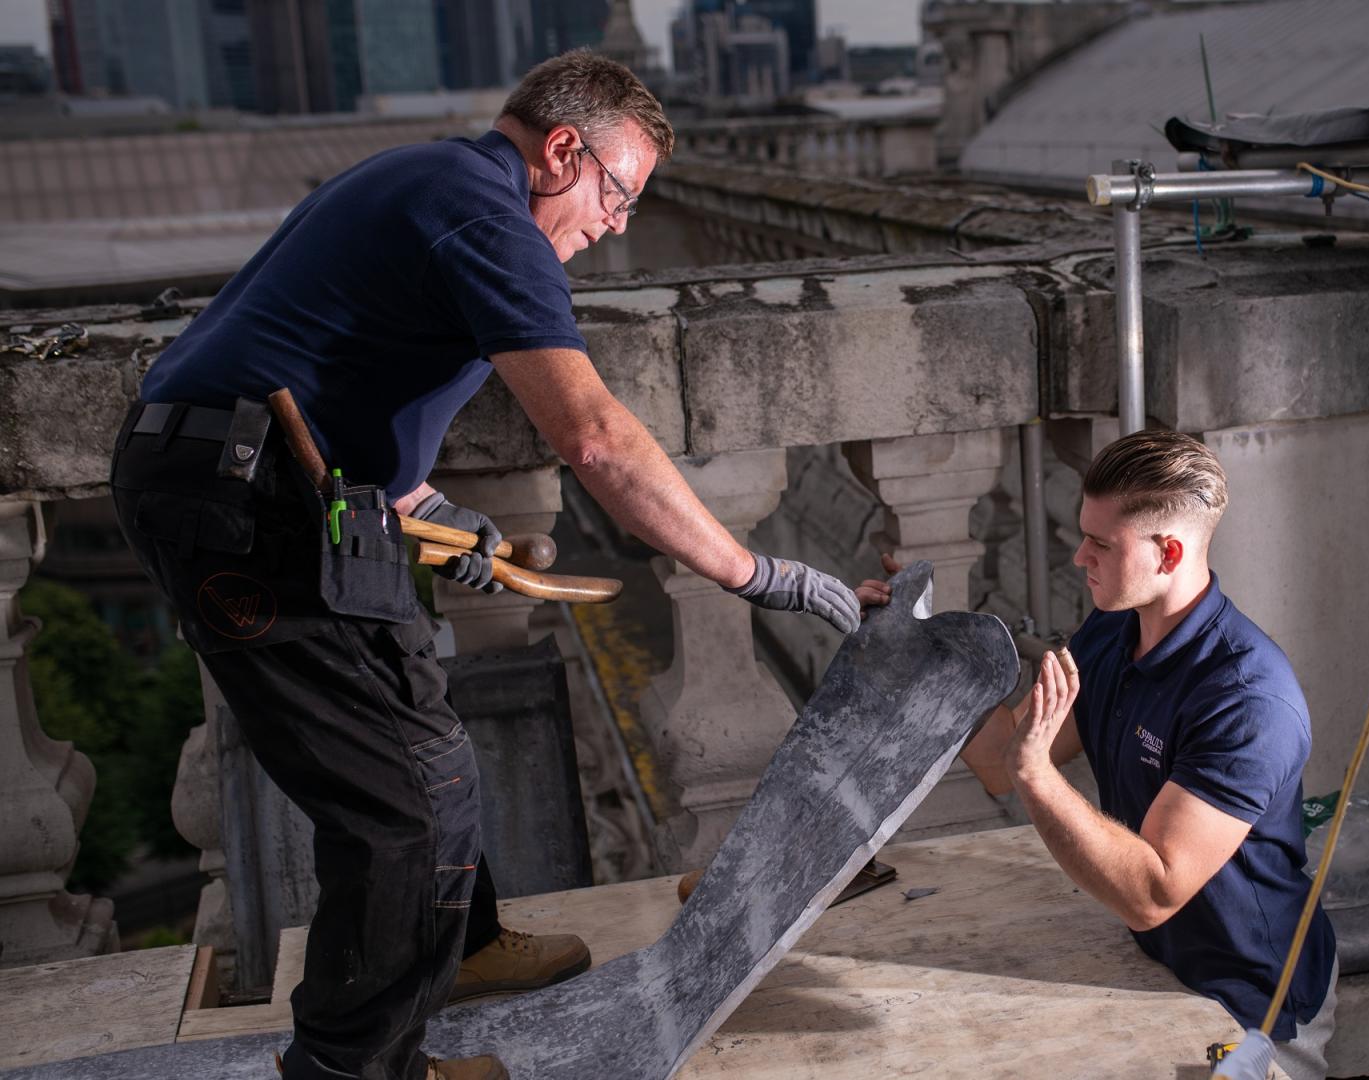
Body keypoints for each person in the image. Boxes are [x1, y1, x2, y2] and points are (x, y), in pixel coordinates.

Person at [112, 51, 860, 1080]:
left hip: (293, 489)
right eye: (618, 193)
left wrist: (426, 507)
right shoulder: (485, 216)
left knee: (430, 745)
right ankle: (355, 1067)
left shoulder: (439, 183)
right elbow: (595, 439)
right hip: (241, 504)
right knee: (395, 805)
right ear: (563, 151)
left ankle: (457, 950)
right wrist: (753, 574)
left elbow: (332, 371)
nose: (617, 224)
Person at [859, 431, 1337, 1078]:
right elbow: (1002, 762)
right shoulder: (1112, 632)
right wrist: (922, 652)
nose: (1079, 555)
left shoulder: (1247, 700)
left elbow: (1152, 892)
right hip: (1159, 967)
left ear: (1169, 552)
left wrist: (1036, 773)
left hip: (1254, 1004)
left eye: (1101, 544)